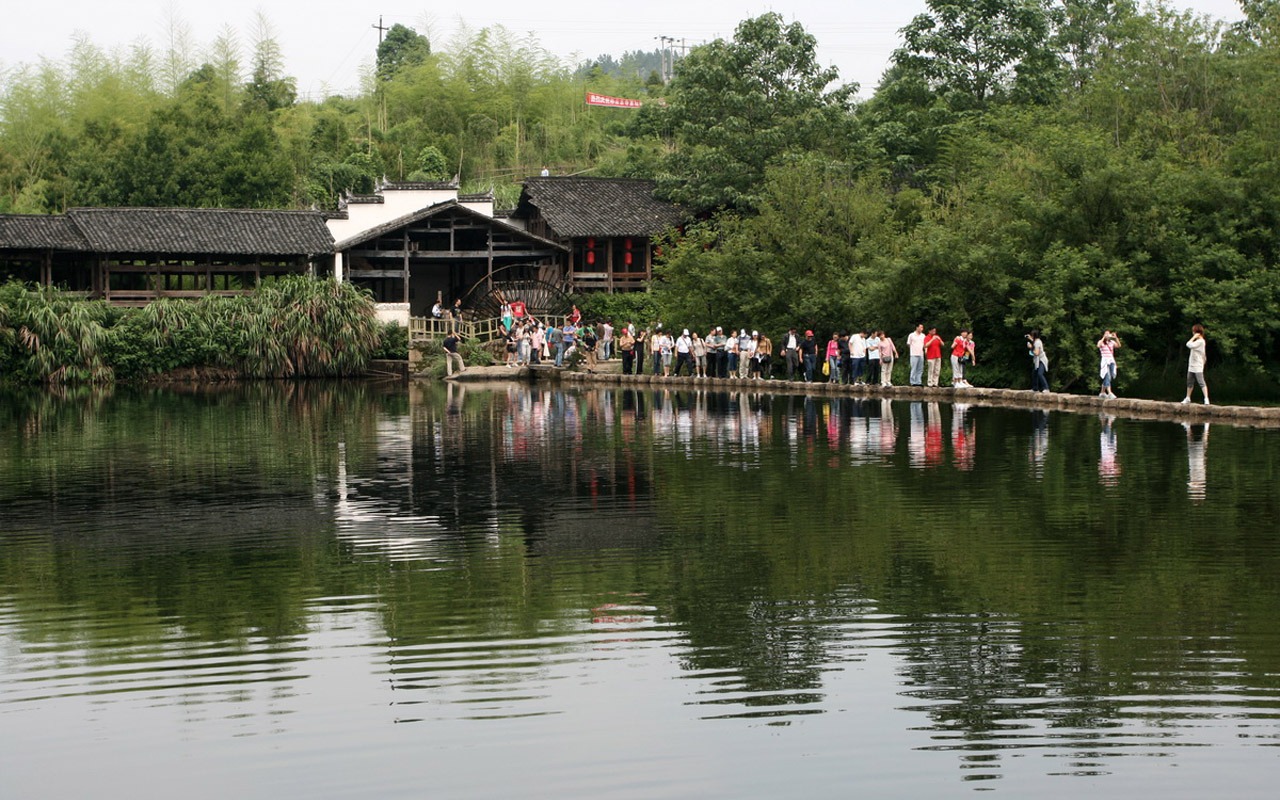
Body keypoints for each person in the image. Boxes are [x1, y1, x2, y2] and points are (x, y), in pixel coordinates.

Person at [1182, 324, 1210, 404]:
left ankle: (1206, 398)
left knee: (1201, 381)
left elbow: (1188, 344)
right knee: (1190, 381)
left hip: (1198, 365)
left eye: (1194, 332)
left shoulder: (1200, 342)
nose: (1193, 333)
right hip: (1192, 364)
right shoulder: (1198, 342)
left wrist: (1194, 337)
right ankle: (1188, 397)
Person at [1097, 330, 1121, 399]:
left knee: (1109, 377)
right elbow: (1098, 345)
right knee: (1106, 375)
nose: (1107, 335)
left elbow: (1119, 345)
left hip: (1111, 360)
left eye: (1108, 334)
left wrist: (1116, 338)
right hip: (1105, 361)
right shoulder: (1101, 342)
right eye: (1106, 334)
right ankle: (1110, 393)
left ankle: (1102, 392)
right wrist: (1103, 338)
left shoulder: (1111, 342)